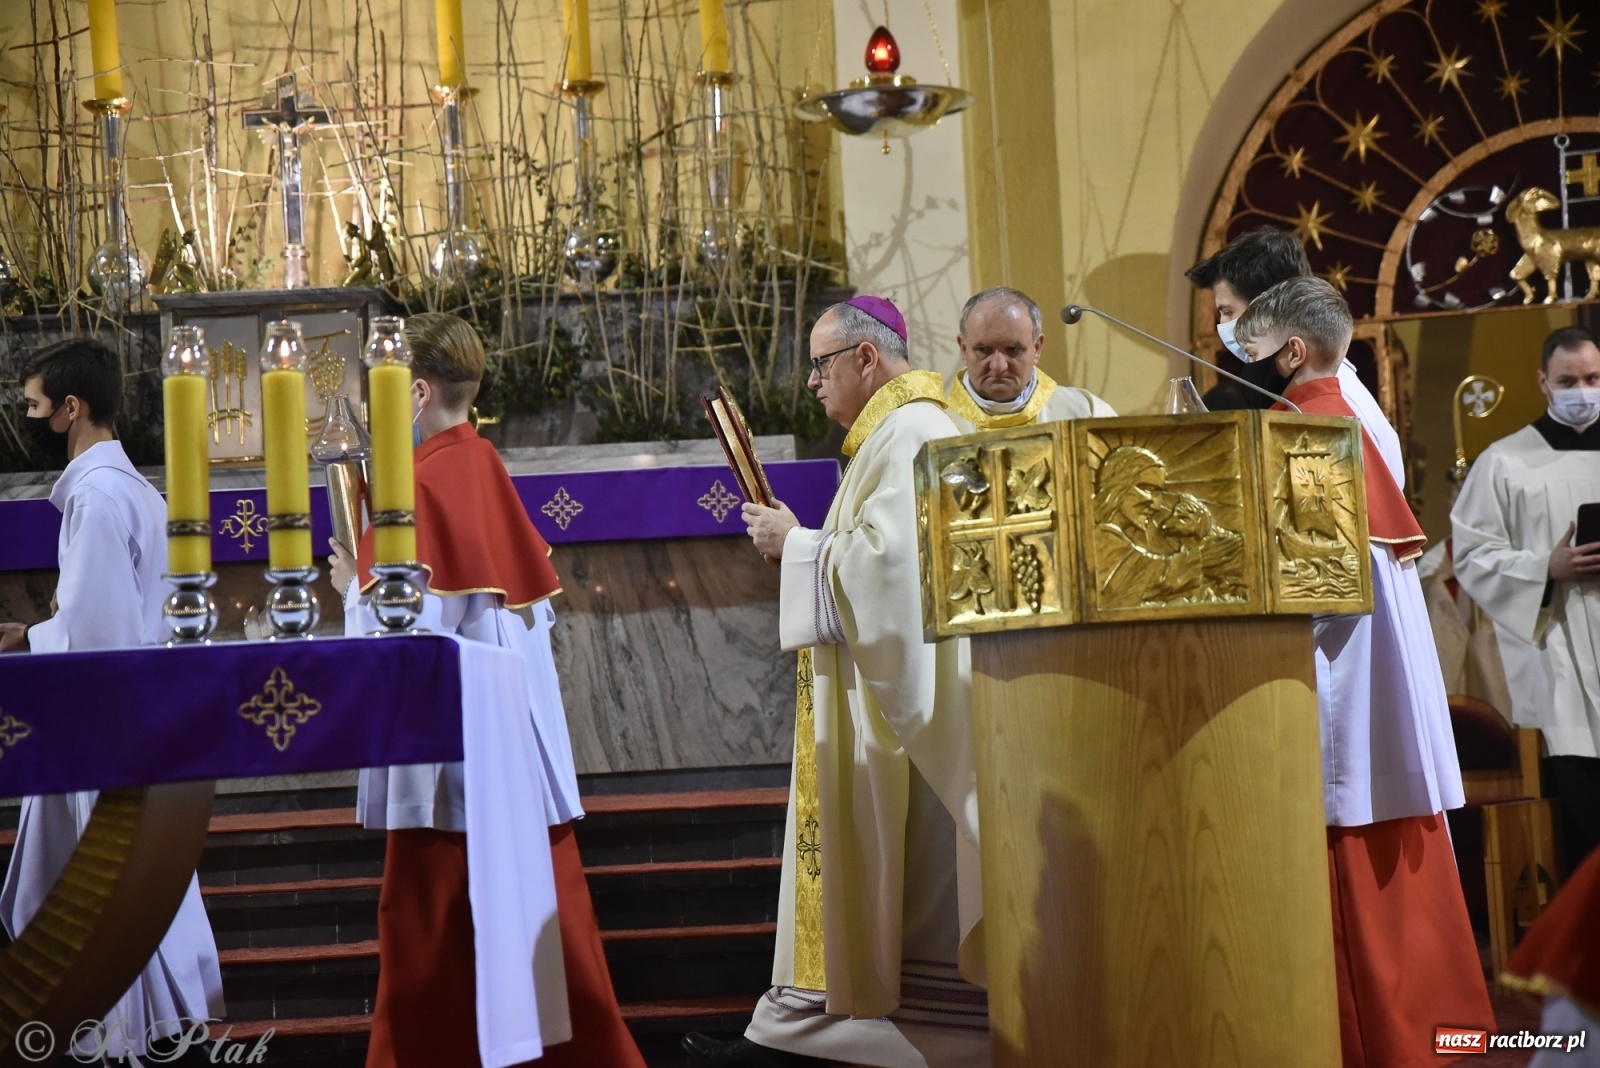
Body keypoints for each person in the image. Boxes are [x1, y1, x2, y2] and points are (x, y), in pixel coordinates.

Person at [329, 313, 644, 1068]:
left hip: (456, 765)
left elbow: (410, 634)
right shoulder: (480, 463)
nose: (379, 409)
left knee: (433, 944)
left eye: (387, 390)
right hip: (509, 752)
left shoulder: (429, 481)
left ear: (421, 389)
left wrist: (352, 589)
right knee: (545, 942)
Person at [685, 297, 988, 1068]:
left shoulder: (916, 432)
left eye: (821, 364)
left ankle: (885, 1037)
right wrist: (807, 547)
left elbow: (897, 576)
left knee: (912, 889)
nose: (813, 383)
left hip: (905, 720)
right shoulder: (892, 436)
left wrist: (801, 548)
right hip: (881, 703)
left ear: (865, 358)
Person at [1235, 279, 1491, 1068]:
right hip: (1383, 681)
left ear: (1292, 352)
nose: (1245, 364)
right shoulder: (1353, 422)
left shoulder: (1299, 432)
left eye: (1254, 350)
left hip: (1340, 678)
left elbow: (1312, 592)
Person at [0, 338, 223, 1060]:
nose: (27, 417)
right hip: (137, 713)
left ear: (72, 408)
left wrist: (28, 641)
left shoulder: (96, 498)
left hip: (100, 722)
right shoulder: (137, 490)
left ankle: (119, 1041)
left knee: (94, 905)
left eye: (35, 405)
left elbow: (96, 634)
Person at [1451, 325, 1600, 873]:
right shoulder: (1505, 463)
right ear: (1543, 382)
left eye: (1592, 378)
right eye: (1568, 380)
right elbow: (1471, 556)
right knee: (1584, 830)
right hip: (1561, 661)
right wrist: (1546, 568)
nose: (1582, 390)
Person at [1186, 227, 1404, 487]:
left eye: (1228, 311)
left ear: (1267, 305)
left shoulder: (1327, 405)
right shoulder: (1316, 389)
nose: (1223, 325)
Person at [943, 286, 1114, 432]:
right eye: (983, 350)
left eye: (1013, 350)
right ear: (963, 349)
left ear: (1037, 348)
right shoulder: (939, 423)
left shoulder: (1087, 414)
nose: (998, 366)